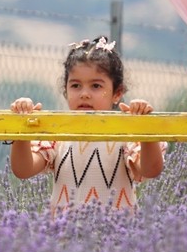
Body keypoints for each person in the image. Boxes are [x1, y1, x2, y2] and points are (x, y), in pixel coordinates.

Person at [10, 36, 165, 213]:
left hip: (116, 237)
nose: (84, 94)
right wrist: (21, 129)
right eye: (76, 86)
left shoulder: (125, 133)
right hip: (65, 237)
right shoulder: (58, 135)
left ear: (117, 93)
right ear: (65, 90)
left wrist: (144, 130)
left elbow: (151, 169)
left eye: (96, 86)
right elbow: (23, 170)